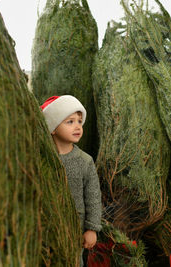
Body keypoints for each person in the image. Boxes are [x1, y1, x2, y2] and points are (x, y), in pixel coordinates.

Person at [40, 95, 102, 265]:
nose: (78, 126)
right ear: (53, 128)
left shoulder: (85, 161)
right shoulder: (42, 160)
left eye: (79, 121)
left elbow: (93, 197)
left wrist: (92, 228)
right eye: (70, 122)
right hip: (45, 227)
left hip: (75, 228)